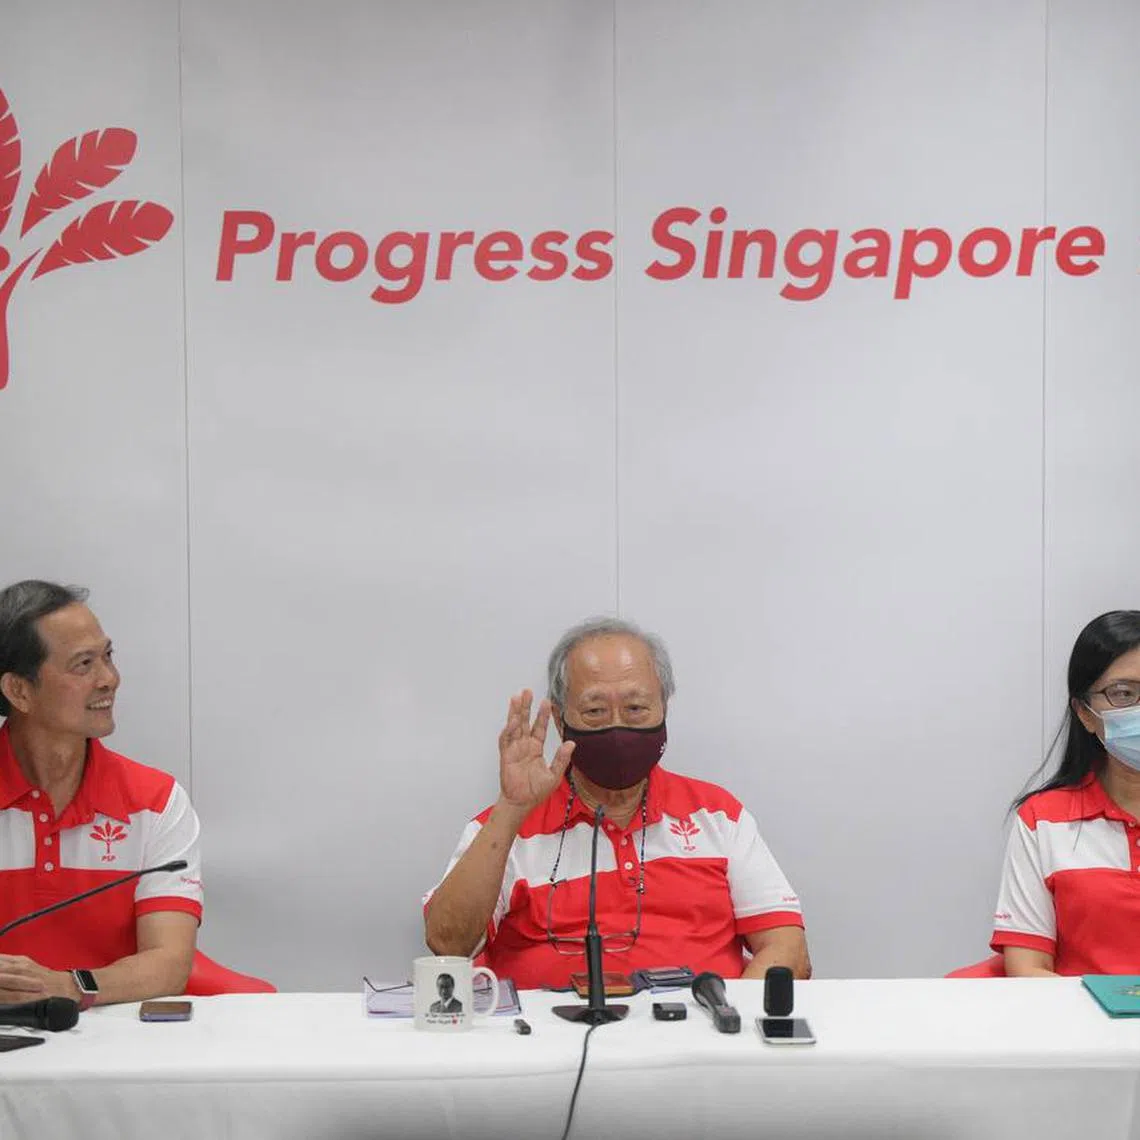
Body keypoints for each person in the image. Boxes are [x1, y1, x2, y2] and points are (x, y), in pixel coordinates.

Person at [424, 617, 810, 990]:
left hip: (697, 1041)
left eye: (636, 708)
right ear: (561, 721)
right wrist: (511, 808)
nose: (618, 726)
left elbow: (787, 950)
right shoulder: (505, 826)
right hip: (550, 1045)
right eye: (594, 711)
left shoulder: (718, 815)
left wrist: (725, 1027)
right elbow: (448, 945)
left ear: (664, 710)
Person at [0, 580, 203, 1007]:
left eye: (107, 656)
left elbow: (169, 962)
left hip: (119, 1044)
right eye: (83, 664)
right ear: (19, 691)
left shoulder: (156, 801)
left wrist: (69, 986)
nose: (109, 679)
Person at [992, 610, 1140, 976]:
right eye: (1123, 693)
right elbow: (1028, 969)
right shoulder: (1043, 820)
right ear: (1085, 713)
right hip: (1080, 1023)